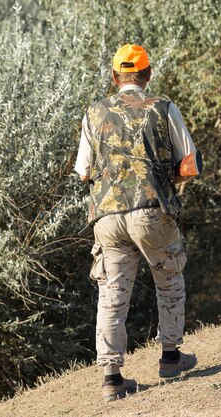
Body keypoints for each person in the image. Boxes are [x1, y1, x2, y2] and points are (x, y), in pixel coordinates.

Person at [74, 44, 202, 402]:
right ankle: (171, 357)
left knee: (112, 296)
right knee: (169, 279)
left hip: (107, 216)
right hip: (151, 210)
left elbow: (83, 172)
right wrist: (166, 176)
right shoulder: (163, 108)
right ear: (147, 75)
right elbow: (189, 162)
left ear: (115, 77)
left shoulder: (94, 113)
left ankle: (112, 379)